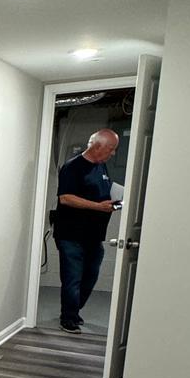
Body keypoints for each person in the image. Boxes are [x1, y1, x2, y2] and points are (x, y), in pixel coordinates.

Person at [52, 129, 120, 333]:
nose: (113, 154)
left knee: (90, 276)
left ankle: (73, 310)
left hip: (94, 235)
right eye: (111, 149)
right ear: (97, 147)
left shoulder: (102, 166)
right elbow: (66, 198)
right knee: (72, 277)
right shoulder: (72, 167)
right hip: (71, 235)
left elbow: (101, 193)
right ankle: (68, 318)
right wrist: (98, 207)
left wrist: (114, 204)